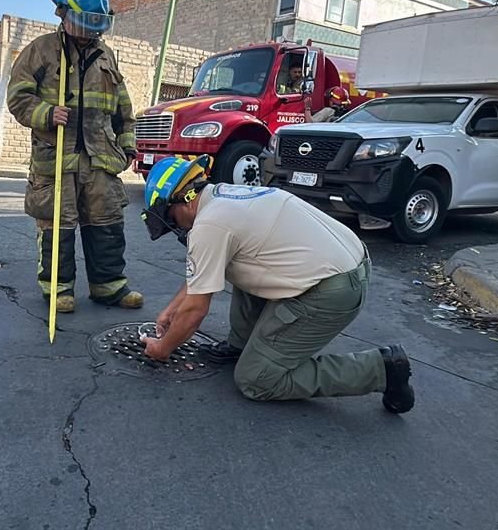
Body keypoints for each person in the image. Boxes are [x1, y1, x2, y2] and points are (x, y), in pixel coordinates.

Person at [139, 155, 414, 412]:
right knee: (241, 262)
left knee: (256, 379)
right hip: (346, 263)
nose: (177, 227)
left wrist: (163, 349)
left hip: (332, 290)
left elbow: (196, 310)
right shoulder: (224, 195)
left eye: (172, 217)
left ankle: (381, 369)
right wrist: (172, 308)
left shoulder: (209, 226)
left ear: (186, 200)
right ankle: (241, 344)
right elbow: (204, 270)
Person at [7, 0, 143, 314]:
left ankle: (109, 287)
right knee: (57, 227)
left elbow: (124, 109)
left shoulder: (107, 56)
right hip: (55, 160)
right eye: (84, 23)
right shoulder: (40, 50)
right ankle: (58, 289)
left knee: (107, 225)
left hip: (100, 161)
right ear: (64, 15)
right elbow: (17, 98)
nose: (89, 32)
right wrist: (47, 113)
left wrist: (127, 148)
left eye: (97, 25)